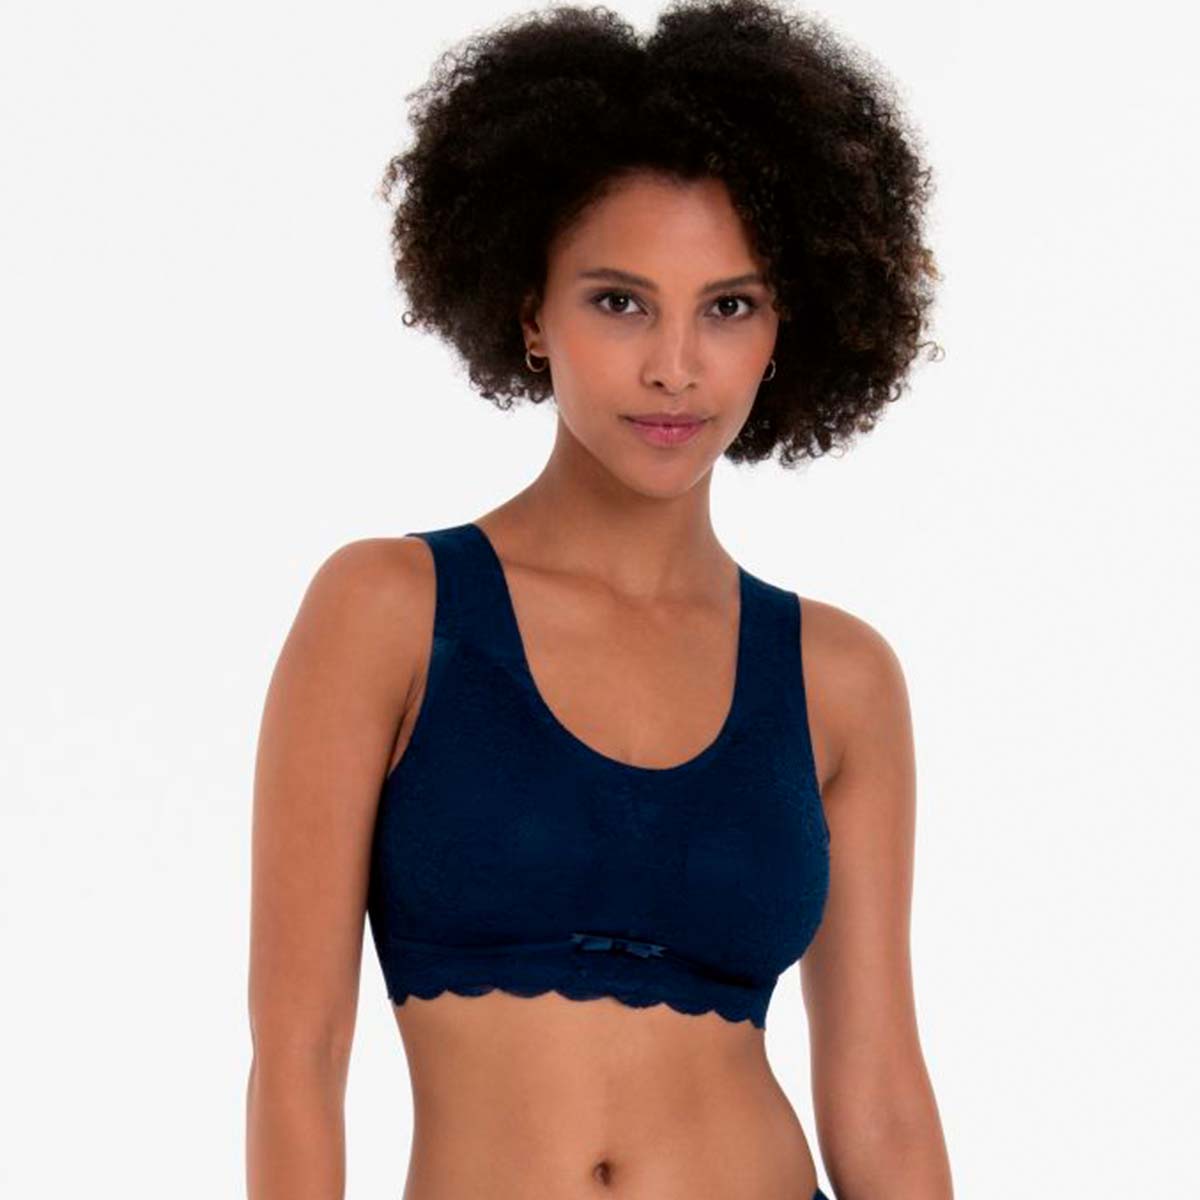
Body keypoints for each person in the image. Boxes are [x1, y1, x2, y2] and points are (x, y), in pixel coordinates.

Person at [246, 1, 953, 1197]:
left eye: (729, 305)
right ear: (531, 310)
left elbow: (880, 1096)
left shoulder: (839, 680)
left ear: (786, 327)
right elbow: (297, 1061)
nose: (675, 366)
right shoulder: (389, 611)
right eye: (620, 301)